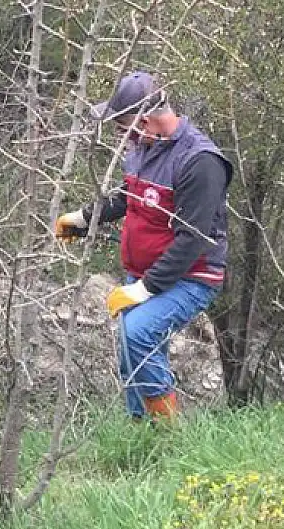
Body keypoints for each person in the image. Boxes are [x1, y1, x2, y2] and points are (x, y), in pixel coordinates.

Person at [54, 71, 233, 425]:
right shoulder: (144, 148)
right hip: (145, 271)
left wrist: (144, 288)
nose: (121, 136)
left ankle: (167, 436)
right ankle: (140, 428)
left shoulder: (201, 162)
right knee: (132, 349)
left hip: (191, 276)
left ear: (147, 120)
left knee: (138, 334)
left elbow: (193, 239)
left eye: (123, 126)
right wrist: (82, 219)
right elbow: (129, 197)